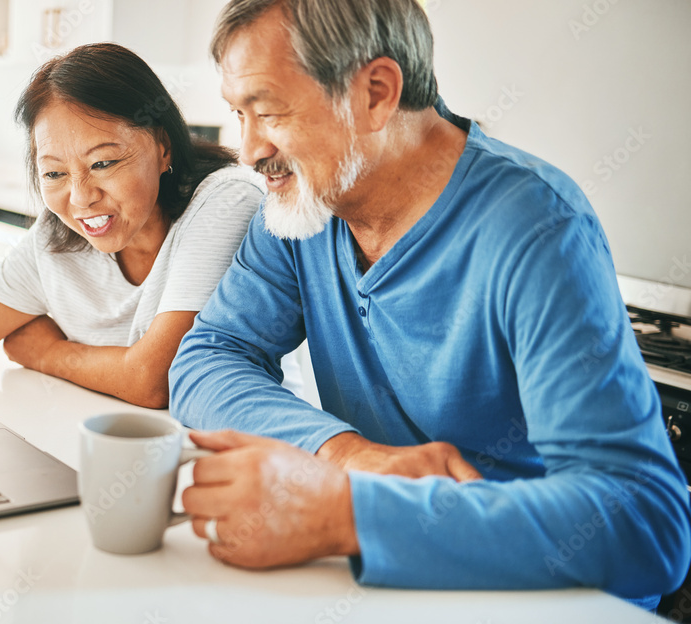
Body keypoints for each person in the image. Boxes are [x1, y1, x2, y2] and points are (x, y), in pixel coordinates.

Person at [170, 0, 691, 610]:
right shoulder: (300, 210)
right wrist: (348, 456)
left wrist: (352, 516)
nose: (249, 151)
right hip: (396, 586)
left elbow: (645, 523)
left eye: (269, 112)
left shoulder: (537, 229)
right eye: (239, 115)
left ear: (376, 92)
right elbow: (208, 358)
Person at [0, 43, 263, 416]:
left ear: (163, 147)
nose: (81, 197)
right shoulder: (57, 237)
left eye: (103, 163)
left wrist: (48, 351)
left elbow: (154, 381)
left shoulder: (224, 199)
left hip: (229, 454)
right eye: (54, 172)